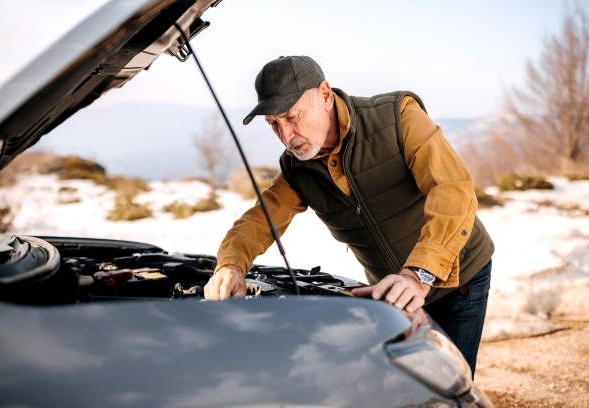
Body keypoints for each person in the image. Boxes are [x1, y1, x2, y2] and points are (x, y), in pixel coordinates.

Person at [203, 55, 494, 375]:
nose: (285, 137)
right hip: (392, 293)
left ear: (325, 95)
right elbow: (260, 220)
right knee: (406, 383)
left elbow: (452, 190)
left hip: (459, 277)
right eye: (274, 124)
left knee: (450, 382)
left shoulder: (397, 118)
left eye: (292, 117)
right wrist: (230, 265)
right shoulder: (298, 169)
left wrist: (418, 275)